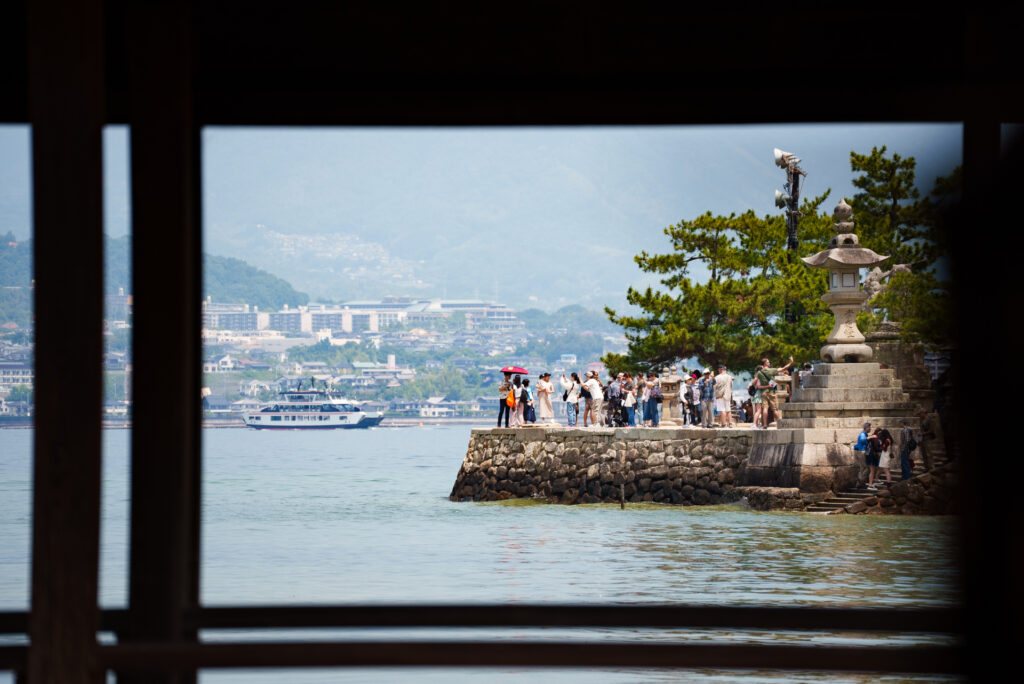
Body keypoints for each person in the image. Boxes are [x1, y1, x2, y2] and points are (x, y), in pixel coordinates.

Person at [755, 356, 794, 427]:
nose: (769, 362)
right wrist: (791, 362)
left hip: (763, 392)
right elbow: (783, 369)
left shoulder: (759, 373)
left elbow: (757, 385)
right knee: (774, 408)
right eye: (768, 362)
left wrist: (765, 386)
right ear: (765, 363)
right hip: (771, 392)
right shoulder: (771, 370)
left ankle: (765, 425)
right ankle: (780, 423)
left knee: (765, 408)